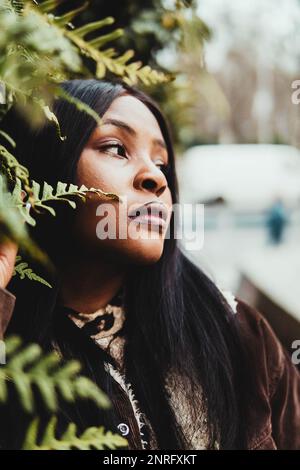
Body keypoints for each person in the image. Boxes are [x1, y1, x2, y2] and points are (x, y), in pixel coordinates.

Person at [0, 79, 299, 450]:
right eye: (116, 148)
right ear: (44, 173)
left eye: (162, 163)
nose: (156, 178)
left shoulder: (242, 336)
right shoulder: (10, 343)